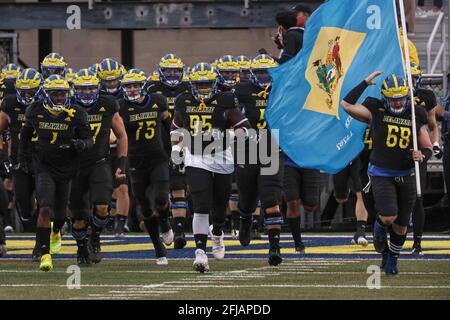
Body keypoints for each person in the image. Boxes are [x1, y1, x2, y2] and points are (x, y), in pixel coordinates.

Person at [342, 72, 432, 276]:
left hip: (407, 172)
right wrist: (364, 82)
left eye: (400, 97)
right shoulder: (376, 109)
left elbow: (426, 146)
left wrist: (422, 155)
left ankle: (391, 258)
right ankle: (380, 227)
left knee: (401, 226)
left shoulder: (416, 113)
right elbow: (346, 105)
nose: (397, 102)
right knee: (389, 216)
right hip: (382, 172)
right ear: (385, 97)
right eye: (393, 98)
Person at [171, 62, 251, 272]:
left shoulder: (225, 99)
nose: (203, 89)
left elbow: (245, 128)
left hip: (222, 157)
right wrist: (176, 150)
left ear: (215, 84)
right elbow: (176, 128)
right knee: (201, 204)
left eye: (207, 85)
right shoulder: (183, 100)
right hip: (196, 157)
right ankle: (200, 253)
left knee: (219, 208)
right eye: (199, 85)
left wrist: (229, 135)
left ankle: (217, 232)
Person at [18, 75, 93, 272]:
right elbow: (24, 137)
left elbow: (89, 141)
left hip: (67, 169)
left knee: (60, 216)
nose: (60, 98)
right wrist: (23, 160)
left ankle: (56, 231)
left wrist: (80, 144)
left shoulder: (76, 113)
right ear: (46, 95)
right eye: (55, 94)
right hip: (44, 167)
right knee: (44, 206)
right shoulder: (35, 111)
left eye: (62, 94)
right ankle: (45, 255)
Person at [69, 69, 128, 265]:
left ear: (98, 88)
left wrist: (121, 163)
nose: (87, 92)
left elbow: (121, 135)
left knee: (103, 207)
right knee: (78, 217)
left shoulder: (107, 104)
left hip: (99, 162)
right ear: (75, 90)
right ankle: (81, 248)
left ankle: (95, 237)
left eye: (91, 88)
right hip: (74, 165)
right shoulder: (66, 106)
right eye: (83, 89)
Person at [234, 54, 285, 264]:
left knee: (270, 198)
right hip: (247, 149)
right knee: (247, 197)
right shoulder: (242, 91)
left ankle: (275, 248)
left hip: (272, 148)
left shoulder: (284, 90)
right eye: (260, 72)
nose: (264, 77)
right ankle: (245, 219)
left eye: (268, 72)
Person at [119, 69, 173, 265]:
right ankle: (158, 247)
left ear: (142, 85)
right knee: (146, 209)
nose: (132, 89)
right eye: (128, 86)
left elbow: (170, 129)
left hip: (158, 158)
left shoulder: (159, 101)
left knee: (160, 197)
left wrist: (176, 151)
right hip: (136, 163)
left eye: (135, 85)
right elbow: (118, 134)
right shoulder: (122, 107)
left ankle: (165, 221)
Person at [147, 53, 190, 249]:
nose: (172, 74)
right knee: (161, 191)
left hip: (183, 143)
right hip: (158, 144)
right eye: (168, 71)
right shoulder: (151, 89)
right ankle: (166, 224)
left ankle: (180, 229)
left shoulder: (189, 88)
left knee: (181, 187)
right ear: (160, 72)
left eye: (175, 71)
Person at [0, 68, 42, 259]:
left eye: (31, 91)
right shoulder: (10, 103)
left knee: (46, 202)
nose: (26, 96)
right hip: (20, 160)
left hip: (44, 159)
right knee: (25, 208)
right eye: (23, 91)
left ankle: (42, 244)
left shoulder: (47, 104)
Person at [409, 63, 440, 255]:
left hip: (418, 150)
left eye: (412, 78)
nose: (409, 82)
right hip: (395, 150)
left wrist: (435, 145)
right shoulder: (391, 96)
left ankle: (417, 242)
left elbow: (432, 125)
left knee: (417, 197)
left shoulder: (425, 97)